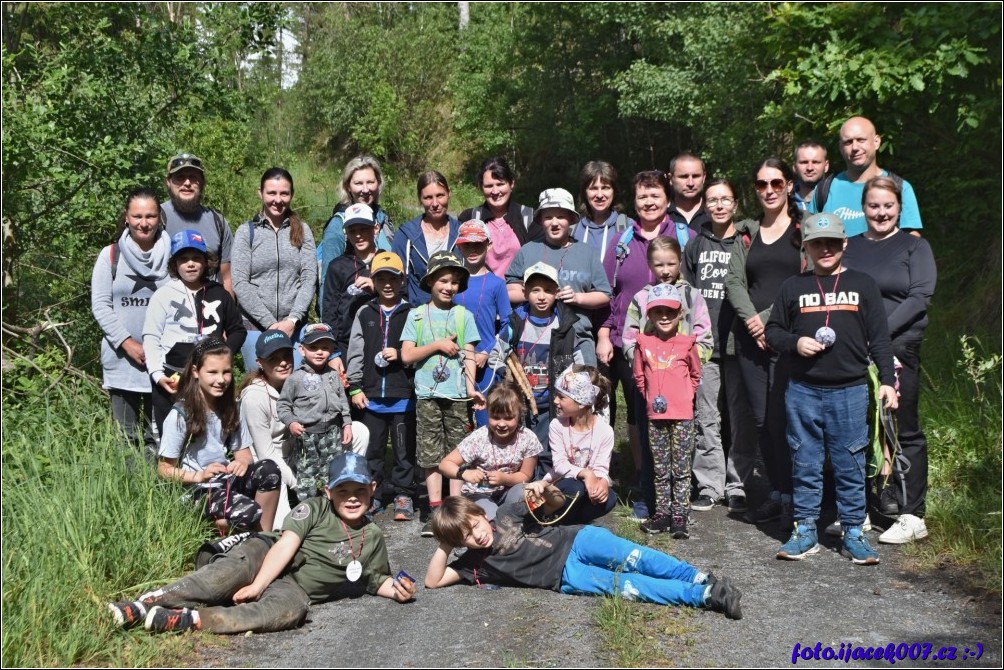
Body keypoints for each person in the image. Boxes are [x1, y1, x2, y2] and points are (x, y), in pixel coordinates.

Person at [107, 452, 416, 634]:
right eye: (343, 490)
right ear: (327, 491)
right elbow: (286, 545)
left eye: (360, 491)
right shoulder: (314, 508)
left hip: (294, 587)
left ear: (373, 489)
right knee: (222, 580)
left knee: (289, 613)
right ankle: (147, 602)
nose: (352, 498)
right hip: (265, 553)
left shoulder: (372, 536)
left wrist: (398, 591)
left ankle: (189, 620)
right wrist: (256, 586)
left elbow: (376, 580)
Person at [765, 212, 898, 565]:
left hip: (851, 390)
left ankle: (854, 530)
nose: (825, 249)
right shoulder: (793, 287)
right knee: (805, 461)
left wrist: (887, 381)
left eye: (832, 242)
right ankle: (805, 528)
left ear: (844, 244)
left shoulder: (864, 284)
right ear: (805, 247)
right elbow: (773, 332)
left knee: (850, 462)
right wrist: (796, 343)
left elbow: (880, 339)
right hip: (803, 390)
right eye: (817, 243)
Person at [424, 493, 743, 620]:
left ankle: (699, 577)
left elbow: (554, 502)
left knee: (637, 557)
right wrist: (446, 544)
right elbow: (433, 581)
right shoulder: (473, 565)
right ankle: (704, 596)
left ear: (482, 513)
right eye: (466, 535)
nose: (477, 533)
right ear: (460, 543)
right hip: (566, 578)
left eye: (475, 523)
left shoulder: (507, 513)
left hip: (578, 540)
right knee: (630, 586)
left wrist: (544, 492)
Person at [844, 176, 937, 545]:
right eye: (873, 206)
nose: (881, 212)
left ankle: (912, 513)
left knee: (902, 427)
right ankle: (865, 507)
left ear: (899, 207)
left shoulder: (916, 248)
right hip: (855, 350)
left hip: (899, 348)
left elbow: (920, 297)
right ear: (863, 208)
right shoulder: (849, 247)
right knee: (860, 428)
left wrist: (878, 334)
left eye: (888, 206)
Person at [598, 172, 694, 501]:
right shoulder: (621, 243)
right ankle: (644, 477)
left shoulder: (685, 236)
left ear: (668, 200)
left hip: (678, 350)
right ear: (634, 202)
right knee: (640, 414)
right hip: (633, 346)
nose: (649, 202)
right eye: (642, 197)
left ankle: (677, 482)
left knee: (677, 415)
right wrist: (605, 331)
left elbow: (695, 295)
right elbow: (608, 293)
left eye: (655, 196)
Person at [725, 158, 803, 526]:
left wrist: (769, 320)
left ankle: (799, 496)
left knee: (786, 420)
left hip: (788, 337)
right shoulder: (747, 232)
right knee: (762, 421)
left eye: (776, 183)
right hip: (750, 340)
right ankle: (777, 493)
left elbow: (806, 278)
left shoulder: (803, 231)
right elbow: (733, 282)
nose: (769, 190)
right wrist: (753, 323)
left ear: (789, 185)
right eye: (761, 184)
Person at [683, 179, 759, 513]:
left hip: (740, 342)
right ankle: (710, 484)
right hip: (705, 344)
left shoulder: (749, 241)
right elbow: (684, 292)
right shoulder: (696, 245)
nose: (718, 205)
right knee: (706, 417)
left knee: (740, 417)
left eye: (724, 199)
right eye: (711, 200)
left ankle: (738, 483)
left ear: (735, 203)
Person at [156, 337, 281, 534]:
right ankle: (213, 528)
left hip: (226, 481)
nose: (221, 379)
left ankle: (262, 539)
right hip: (198, 490)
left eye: (226, 372)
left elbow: (244, 455)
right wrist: (199, 476)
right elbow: (164, 468)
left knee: (270, 470)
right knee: (248, 512)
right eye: (212, 372)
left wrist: (241, 464)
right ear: (196, 372)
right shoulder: (180, 415)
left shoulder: (232, 408)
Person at [400, 251, 484, 535]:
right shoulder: (417, 315)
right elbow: (407, 355)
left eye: (455, 282)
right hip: (427, 395)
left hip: (458, 395)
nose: (449, 287)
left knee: (457, 453)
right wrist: (437, 346)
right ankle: (435, 510)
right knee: (430, 454)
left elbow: (470, 355)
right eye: (443, 280)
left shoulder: (464, 316)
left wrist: (473, 390)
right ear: (431, 281)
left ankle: (456, 508)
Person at [91, 187, 171, 457]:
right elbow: (100, 306)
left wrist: (157, 349)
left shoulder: (173, 255)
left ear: (160, 217)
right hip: (122, 362)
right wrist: (129, 344)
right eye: (137, 216)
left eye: (150, 216)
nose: (144, 223)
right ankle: (130, 491)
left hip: (162, 362)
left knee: (159, 435)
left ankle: (159, 491)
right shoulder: (110, 255)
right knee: (126, 438)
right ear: (126, 217)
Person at [143, 229, 246, 438]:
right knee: (172, 436)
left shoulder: (219, 293)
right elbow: (151, 337)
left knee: (210, 434)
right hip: (172, 378)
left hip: (209, 379)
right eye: (184, 259)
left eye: (196, 258)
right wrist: (157, 375)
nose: (190, 264)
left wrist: (223, 356)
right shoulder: (163, 295)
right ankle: (171, 470)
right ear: (175, 264)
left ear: (206, 262)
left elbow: (238, 330)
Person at [345, 251, 419, 522]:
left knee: (403, 449)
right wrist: (354, 386)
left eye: (393, 278)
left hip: (403, 396)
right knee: (373, 450)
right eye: (381, 278)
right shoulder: (365, 312)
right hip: (371, 396)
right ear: (373, 280)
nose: (387, 283)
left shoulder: (413, 313)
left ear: (402, 280)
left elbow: (418, 350)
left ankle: (403, 493)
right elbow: (355, 351)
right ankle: (373, 493)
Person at [506, 188, 611, 365]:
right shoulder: (528, 250)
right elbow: (510, 290)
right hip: (535, 341)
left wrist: (578, 297)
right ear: (540, 221)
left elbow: (604, 295)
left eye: (561, 216)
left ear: (571, 219)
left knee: (582, 390)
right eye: (548, 217)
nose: (554, 223)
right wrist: (536, 293)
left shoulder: (585, 252)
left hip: (578, 339)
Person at [633, 283, 702, 538]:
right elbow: (639, 376)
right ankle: (662, 513)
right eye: (658, 311)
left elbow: (696, 374)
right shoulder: (644, 342)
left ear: (680, 314)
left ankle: (680, 515)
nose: (664, 316)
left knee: (681, 468)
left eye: (670, 312)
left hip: (682, 416)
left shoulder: (687, 343)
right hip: (656, 416)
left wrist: (685, 396)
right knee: (661, 467)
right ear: (649, 315)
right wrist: (651, 397)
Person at [232, 168, 317, 372]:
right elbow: (240, 282)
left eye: (284, 193)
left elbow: (309, 278)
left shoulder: (303, 231)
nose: (277, 200)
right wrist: (271, 324)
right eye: (271, 193)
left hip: (294, 328)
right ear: (260, 193)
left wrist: (292, 320)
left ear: (291, 195)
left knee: (295, 386)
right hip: (255, 327)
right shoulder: (247, 232)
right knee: (259, 386)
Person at [506, 262, 588, 471]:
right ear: (524, 293)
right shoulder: (515, 323)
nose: (542, 296)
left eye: (548, 291)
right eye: (535, 290)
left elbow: (577, 359)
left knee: (546, 450)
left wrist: (577, 382)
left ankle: (544, 490)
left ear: (557, 293)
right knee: (520, 448)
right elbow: (499, 352)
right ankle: (520, 490)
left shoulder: (564, 327)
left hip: (551, 402)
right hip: (520, 402)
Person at [276, 323, 369, 503]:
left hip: (332, 433)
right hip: (307, 435)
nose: (320, 352)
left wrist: (347, 423)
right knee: (307, 475)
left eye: (325, 347)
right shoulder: (295, 379)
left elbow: (343, 401)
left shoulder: (334, 375)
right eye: (313, 347)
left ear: (332, 350)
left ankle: (332, 508)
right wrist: (291, 423)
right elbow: (283, 405)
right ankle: (308, 511)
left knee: (333, 470)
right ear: (302, 350)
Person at [439, 382, 541, 519]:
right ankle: (494, 526)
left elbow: (525, 475)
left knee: (533, 497)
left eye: (509, 417)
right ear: (488, 412)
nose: (502, 424)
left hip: (511, 489)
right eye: (495, 417)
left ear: (520, 413)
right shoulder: (479, 438)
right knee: (492, 518)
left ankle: (533, 523)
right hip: (479, 493)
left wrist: (505, 478)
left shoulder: (528, 438)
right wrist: (464, 473)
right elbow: (445, 464)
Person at [810, 116, 923, 237]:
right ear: (840, 148)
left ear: (876, 142)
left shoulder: (900, 188)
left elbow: (912, 241)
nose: (855, 148)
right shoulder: (824, 190)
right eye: (848, 142)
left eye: (861, 140)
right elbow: (811, 240)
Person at [452, 219, 513, 427]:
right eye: (466, 245)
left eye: (478, 244)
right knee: (457, 421)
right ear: (458, 246)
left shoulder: (496, 284)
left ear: (488, 245)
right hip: (454, 359)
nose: (472, 250)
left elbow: (508, 325)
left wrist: (487, 352)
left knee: (486, 418)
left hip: (486, 364)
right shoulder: (451, 282)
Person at [541, 365, 618, 524]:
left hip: (584, 488)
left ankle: (572, 522)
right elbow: (560, 464)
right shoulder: (557, 425)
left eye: (562, 397)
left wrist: (602, 482)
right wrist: (586, 474)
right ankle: (557, 518)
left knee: (609, 498)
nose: (555, 401)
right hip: (561, 484)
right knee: (574, 487)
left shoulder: (605, 432)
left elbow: (601, 467)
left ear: (582, 402)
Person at [317, 155, 395, 311]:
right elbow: (327, 283)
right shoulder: (337, 226)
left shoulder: (383, 219)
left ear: (378, 184)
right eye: (358, 183)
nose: (365, 190)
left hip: (383, 314)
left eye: (370, 182)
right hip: (348, 319)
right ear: (348, 187)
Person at [237, 329, 297, 530]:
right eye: (274, 358)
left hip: (295, 453)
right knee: (283, 528)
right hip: (267, 463)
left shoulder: (299, 383)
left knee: (357, 430)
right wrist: (298, 484)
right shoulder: (254, 396)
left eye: (286, 356)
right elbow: (266, 453)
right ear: (260, 362)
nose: (283, 363)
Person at [161, 153, 233, 293]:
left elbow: (227, 277)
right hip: (167, 308)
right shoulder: (154, 218)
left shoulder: (218, 222)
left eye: (193, 177)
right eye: (180, 177)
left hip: (209, 307)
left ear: (202, 182)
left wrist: (228, 312)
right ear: (168, 182)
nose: (187, 183)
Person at [322, 203, 381, 374]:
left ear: (375, 228)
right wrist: (333, 353)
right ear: (345, 232)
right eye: (352, 230)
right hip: (346, 344)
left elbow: (402, 297)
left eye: (364, 229)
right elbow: (329, 312)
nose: (358, 235)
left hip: (381, 342)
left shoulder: (388, 260)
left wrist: (376, 288)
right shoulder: (337, 266)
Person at [459, 156, 543, 277]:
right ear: (480, 187)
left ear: (512, 183)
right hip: (482, 293)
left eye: (500, 184)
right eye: (489, 186)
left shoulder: (529, 218)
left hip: (519, 293)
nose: (495, 191)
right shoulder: (469, 218)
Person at [392, 171, 462, 306]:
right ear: (420, 199)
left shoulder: (461, 233)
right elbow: (398, 280)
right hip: (418, 313)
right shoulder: (406, 235)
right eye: (428, 197)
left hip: (456, 313)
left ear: (449, 194)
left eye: (440, 195)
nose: (435, 203)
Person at [573, 161, 633, 265]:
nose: (600, 195)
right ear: (584, 192)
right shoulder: (572, 231)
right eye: (593, 188)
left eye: (605, 188)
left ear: (614, 191)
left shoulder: (629, 228)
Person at [667, 153, 711, 234]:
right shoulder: (661, 216)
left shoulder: (715, 212)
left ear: (704, 177)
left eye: (696, 176)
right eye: (683, 176)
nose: (690, 183)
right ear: (670, 179)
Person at [792, 141, 829, 211]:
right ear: (794, 167)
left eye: (815, 162)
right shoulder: (785, 204)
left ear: (826, 166)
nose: (810, 168)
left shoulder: (837, 199)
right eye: (804, 162)